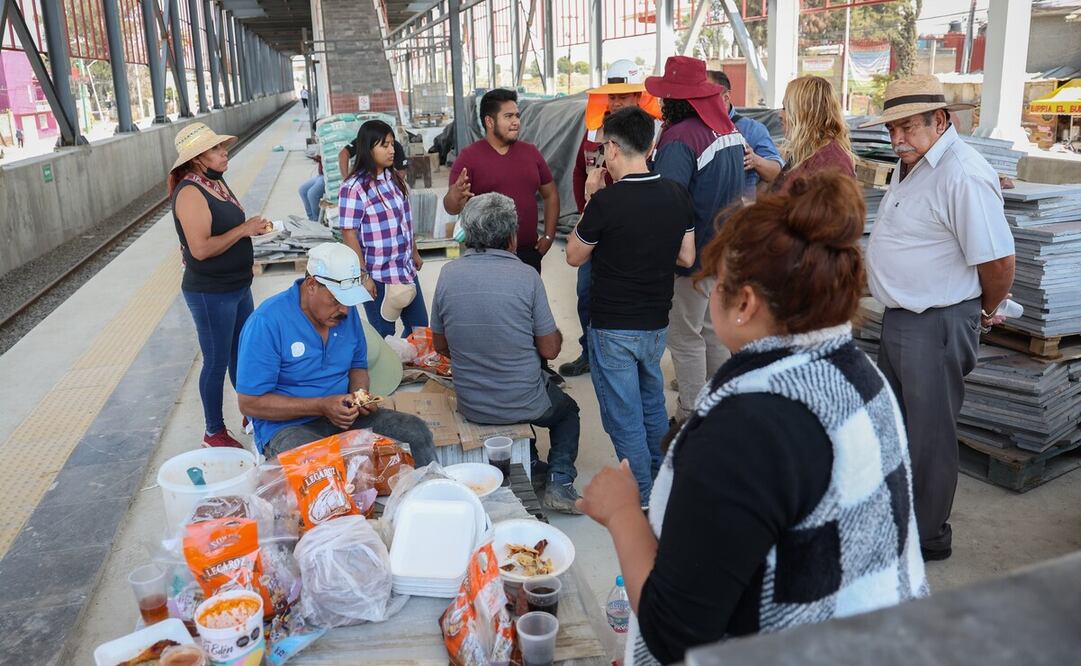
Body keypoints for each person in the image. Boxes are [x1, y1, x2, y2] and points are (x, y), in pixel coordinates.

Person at [578, 172, 928, 665]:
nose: (708, 293)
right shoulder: (858, 373)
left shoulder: (745, 430)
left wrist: (620, 513)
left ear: (744, 303)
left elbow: (673, 631)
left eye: (715, 284)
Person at [862, 75, 1016, 562]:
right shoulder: (914, 165)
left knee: (929, 435)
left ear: (942, 120)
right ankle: (899, 518)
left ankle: (927, 537)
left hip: (937, 321)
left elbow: (998, 261)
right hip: (903, 317)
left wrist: (985, 312)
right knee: (898, 424)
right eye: (891, 129)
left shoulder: (961, 174)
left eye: (907, 127)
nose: (897, 139)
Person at [566, 107, 696, 505]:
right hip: (655, 323)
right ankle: (662, 483)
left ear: (611, 148)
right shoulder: (677, 193)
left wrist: (590, 198)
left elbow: (573, 255)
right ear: (651, 146)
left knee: (623, 417)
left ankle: (642, 494)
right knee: (652, 406)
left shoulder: (606, 202)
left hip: (613, 327)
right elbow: (687, 257)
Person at [430, 193, 582, 514]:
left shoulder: (448, 274)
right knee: (568, 412)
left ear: (468, 234)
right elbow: (550, 348)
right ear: (512, 238)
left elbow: (440, 346)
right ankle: (560, 480)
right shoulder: (527, 276)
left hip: (473, 404)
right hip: (523, 401)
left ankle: (533, 463)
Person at [236, 242, 438, 461]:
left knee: (415, 432)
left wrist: (360, 397)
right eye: (337, 300)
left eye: (349, 301)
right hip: (289, 426)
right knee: (322, 465)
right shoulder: (267, 322)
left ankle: (429, 482)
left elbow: (358, 366)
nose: (345, 310)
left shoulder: (345, 313)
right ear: (311, 285)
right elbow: (249, 403)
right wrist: (321, 406)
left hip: (343, 416)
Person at [644, 55, 745, 420]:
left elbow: (668, 201)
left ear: (674, 99)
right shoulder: (728, 132)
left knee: (685, 338)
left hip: (691, 258)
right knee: (712, 332)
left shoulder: (679, 138)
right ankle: (720, 406)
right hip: (722, 253)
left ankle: (690, 413)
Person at [169, 122, 269, 449]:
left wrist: (250, 231)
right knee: (216, 361)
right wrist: (244, 230)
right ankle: (213, 432)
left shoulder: (214, 182)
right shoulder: (190, 192)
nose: (224, 152)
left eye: (222, 146)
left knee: (243, 352)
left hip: (237, 285)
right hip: (211, 292)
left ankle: (251, 411)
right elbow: (200, 249)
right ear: (197, 158)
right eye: (215, 148)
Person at [561, 60, 662, 379]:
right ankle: (590, 352)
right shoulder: (594, 129)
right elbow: (579, 171)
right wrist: (586, 209)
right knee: (586, 292)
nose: (616, 102)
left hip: (633, 232)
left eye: (623, 96)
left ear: (638, 97)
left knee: (631, 296)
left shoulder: (652, 132)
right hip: (597, 227)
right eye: (612, 96)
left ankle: (634, 358)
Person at [443, 88, 559, 274]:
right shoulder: (469, 157)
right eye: (508, 116)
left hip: (528, 253)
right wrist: (455, 195)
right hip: (485, 255)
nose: (516, 122)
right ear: (489, 121)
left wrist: (548, 236)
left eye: (517, 116)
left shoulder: (531, 153)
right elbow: (451, 208)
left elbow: (550, 194)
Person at [337, 119, 428, 338]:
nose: (392, 150)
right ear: (368, 149)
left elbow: (405, 221)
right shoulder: (353, 187)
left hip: (404, 269)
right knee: (384, 335)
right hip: (377, 275)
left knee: (420, 330)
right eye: (384, 145)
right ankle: (392, 362)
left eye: (392, 144)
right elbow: (349, 233)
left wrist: (414, 251)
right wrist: (363, 276)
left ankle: (406, 360)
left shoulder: (394, 179)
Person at [706, 69, 783, 196]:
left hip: (739, 206)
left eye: (706, 95)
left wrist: (755, 160)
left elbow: (776, 173)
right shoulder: (690, 130)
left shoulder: (752, 130)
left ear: (725, 98)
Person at [774, 76, 855, 193]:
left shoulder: (830, 163)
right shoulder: (808, 153)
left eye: (786, 108)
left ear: (806, 114)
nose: (780, 115)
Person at [298, 153, 325, 222]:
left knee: (312, 193)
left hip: (328, 177)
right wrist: (320, 160)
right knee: (302, 190)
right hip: (322, 175)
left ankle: (317, 220)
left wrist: (321, 159)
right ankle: (311, 218)